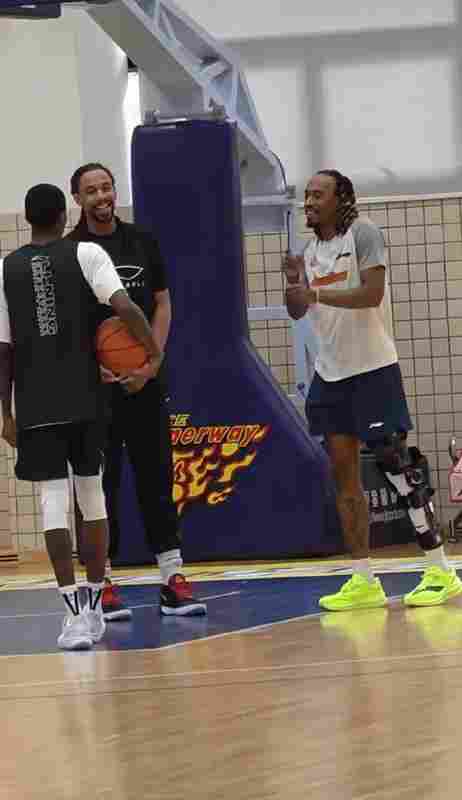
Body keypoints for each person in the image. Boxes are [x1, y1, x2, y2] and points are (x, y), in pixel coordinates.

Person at [283, 169, 461, 610]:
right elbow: (297, 310)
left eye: (318, 195)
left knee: (400, 469)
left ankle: (440, 570)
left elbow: (371, 294)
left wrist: (315, 295)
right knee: (344, 479)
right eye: (307, 195)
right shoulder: (309, 251)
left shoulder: (363, 234)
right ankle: (364, 579)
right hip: (331, 375)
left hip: (374, 369)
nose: (309, 202)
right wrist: (294, 284)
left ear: (340, 199)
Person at [0, 183, 160, 649]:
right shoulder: (87, 253)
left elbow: (3, 351)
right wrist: (153, 354)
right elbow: (125, 307)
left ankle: (72, 614)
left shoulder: (6, 268)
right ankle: (93, 605)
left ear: (27, 219)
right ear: (63, 214)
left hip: (36, 403)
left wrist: (5, 413)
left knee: (52, 500)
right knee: (92, 496)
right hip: (86, 397)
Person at [68, 163, 206, 618]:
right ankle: (102, 581)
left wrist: (152, 361)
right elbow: (69, 325)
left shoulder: (142, 240)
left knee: (157, 479)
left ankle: (172, 578)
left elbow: (162, 303)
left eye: (106, 187)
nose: (101, 196)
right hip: (96, 391)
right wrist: (92, 367)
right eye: (91, 190)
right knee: (98, 485)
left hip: (146, 382)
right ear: (77, 199)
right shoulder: (71, 251)